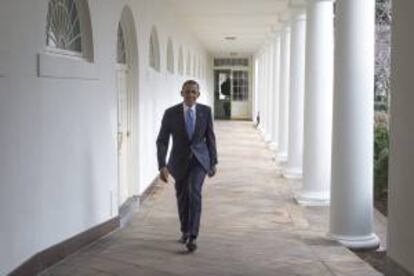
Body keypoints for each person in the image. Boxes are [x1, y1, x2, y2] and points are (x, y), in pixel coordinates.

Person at [156, 80, 218, 252]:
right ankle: (185, 230)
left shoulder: (205, 112)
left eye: (193, 92)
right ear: (181, 93)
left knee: (193, 191)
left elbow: (210, 138)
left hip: (199, 160)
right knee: (182, 196)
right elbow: (162, 140)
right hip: (178, 161)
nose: (190, 95)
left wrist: (213, 162)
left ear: (198, 95)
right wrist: (162, 165)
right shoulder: (171, 113)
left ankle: (192, 236)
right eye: (187, 92)